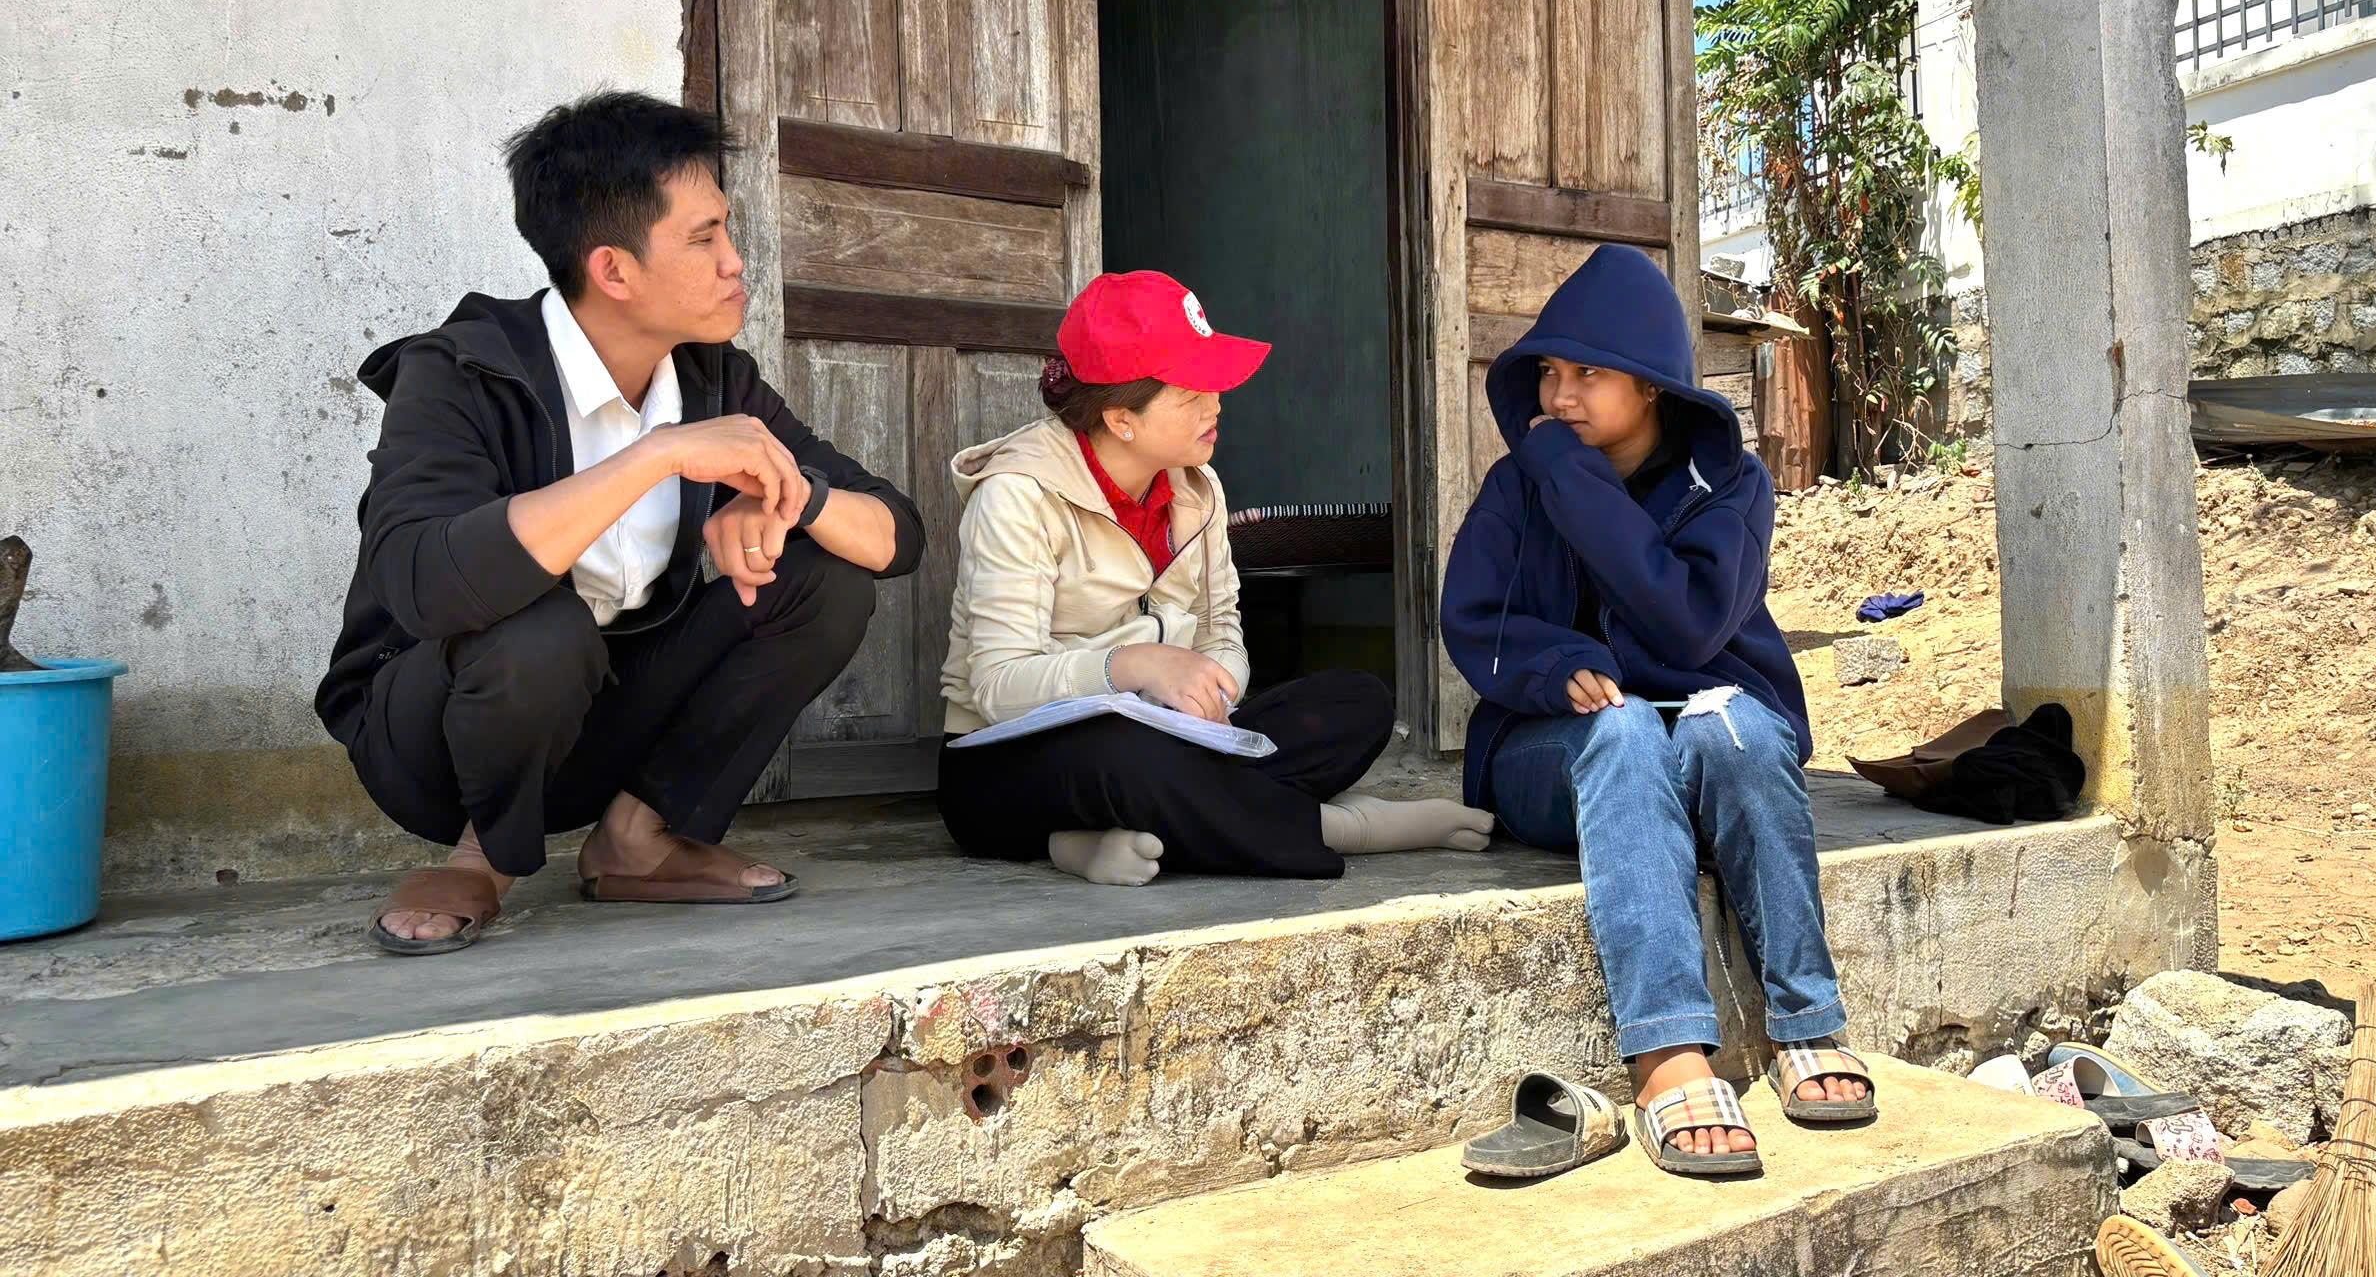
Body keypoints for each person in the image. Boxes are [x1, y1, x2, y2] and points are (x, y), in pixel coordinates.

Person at [315, 91, 923, 955]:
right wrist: (658, 456)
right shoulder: (459, 373)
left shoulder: (714, 380)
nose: (736, 262)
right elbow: (426, 583)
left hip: (598, 726)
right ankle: (481, 861)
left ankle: (637, 838)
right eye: (704, 239)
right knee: (542, 624)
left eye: (727, 230)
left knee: (825, 577)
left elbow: (899, 536)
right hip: (435, 736)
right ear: (613, 270)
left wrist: (795, 500)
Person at [1441, 244, 1872, 1176]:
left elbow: (1687, 624)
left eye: (1589, 374)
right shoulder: (1518, 484)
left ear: (1650, 387)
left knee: (1738, 730)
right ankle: (1668, 1055)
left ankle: (1808, 1020)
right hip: (1552, 751)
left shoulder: (1731, 488)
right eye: (1549, 373)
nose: (1560, 396)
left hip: (1702, 730)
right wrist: (1557, 665)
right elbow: (1474, 623)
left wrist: (1576, 481)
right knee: (1626, 730)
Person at [935, 270, 1492, 886]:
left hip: (1170, 737)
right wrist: (1135, 667)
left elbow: (1220, 627)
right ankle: (1344, 826)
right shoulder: (1017, 494)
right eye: (1191, 393)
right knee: (1125, 755)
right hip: (1010, 757)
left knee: (1357, 703)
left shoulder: (1198, 488)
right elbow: (997, 686)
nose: (1216, 405)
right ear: (1121, 419)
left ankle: (1086, 842)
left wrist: (1214, 698)